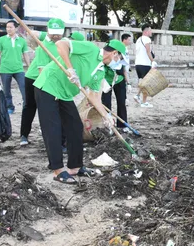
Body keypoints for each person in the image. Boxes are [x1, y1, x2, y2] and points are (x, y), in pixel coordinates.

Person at [33, 38, 127, 184]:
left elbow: (94, 96)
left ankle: (75, 167)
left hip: (65, 93)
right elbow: (61, 44)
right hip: (48, 86)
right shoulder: (90, 48)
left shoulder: (101, 71)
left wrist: (106, 116)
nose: (118, 62)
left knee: (76, 126)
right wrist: (70, 69)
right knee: (53, 128)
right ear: (114, 53)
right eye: (119, 58)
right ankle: (58, 170)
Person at [19, 19, 64, 146]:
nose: (55, 36)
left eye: (58, 33)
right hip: (35, 77)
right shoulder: (43, 45)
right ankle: (24, 135)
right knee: (30, 106)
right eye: (53, 33)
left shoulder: (64, 43)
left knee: (50, 109)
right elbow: (41, 72)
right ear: (48, 31)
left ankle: (54, 139)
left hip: (52, 78)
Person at [0, 20, 30, 114]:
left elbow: (25, 54)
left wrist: (29, 66)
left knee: (24, 88)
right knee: (6, 90)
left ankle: (26, 106)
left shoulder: (22, 41)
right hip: (5, 69)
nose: (8, 29)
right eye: (7, 27)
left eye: (10, 27)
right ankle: (9, 107)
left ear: (16, 28)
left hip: (19, 69)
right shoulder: (1, 40)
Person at [102, 34, 133, 132]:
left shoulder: (121, 59)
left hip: (119, 80)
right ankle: (108, 125)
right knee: (106, 103)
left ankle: (123, 124)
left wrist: (128, 83)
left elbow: (124, 69)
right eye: (119, 56)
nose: (120, 59)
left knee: (121, 102)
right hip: (106, 82)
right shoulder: (103, 60)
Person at [134, 23, 157, 108]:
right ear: (146, 31)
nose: (151, 32)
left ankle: (137, 95)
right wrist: (153, 61)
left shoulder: (138, 39)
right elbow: (148, 51)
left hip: (138, 64)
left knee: (143, 82)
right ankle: (144, 102)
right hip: (145, 64)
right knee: (146, 83)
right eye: (150, 30)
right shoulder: (147, 39)